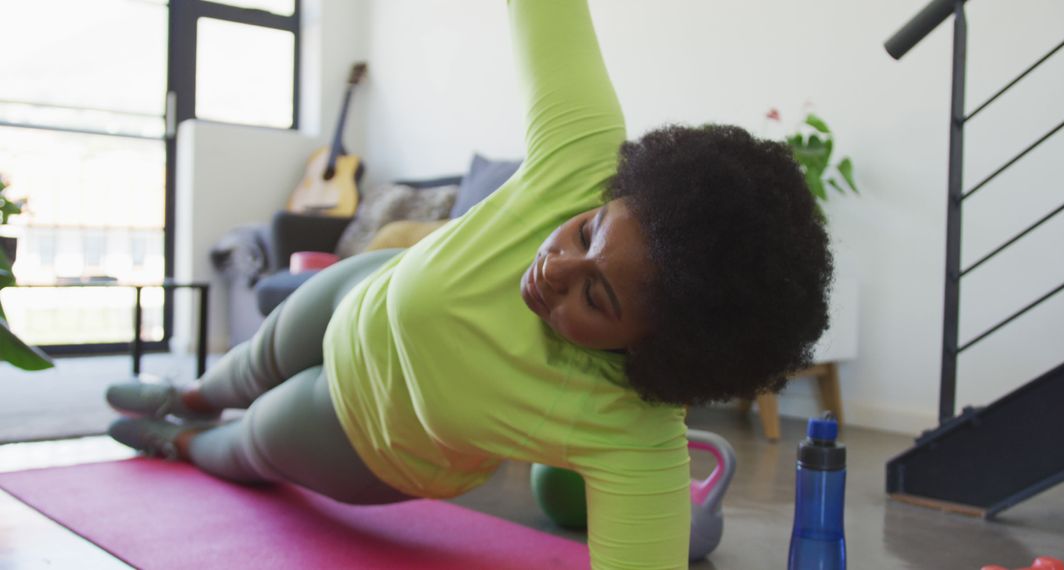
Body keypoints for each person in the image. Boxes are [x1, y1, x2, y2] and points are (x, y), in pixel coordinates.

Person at [106, 0, 832, 568]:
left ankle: (175, 442)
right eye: (586, 232)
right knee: (249, 363)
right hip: (360, 294)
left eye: (597, 299)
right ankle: (189, 396)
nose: (555, 271)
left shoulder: (632, 434)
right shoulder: (584, 156)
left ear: (655, 356)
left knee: (246, 450)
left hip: (366, 436)